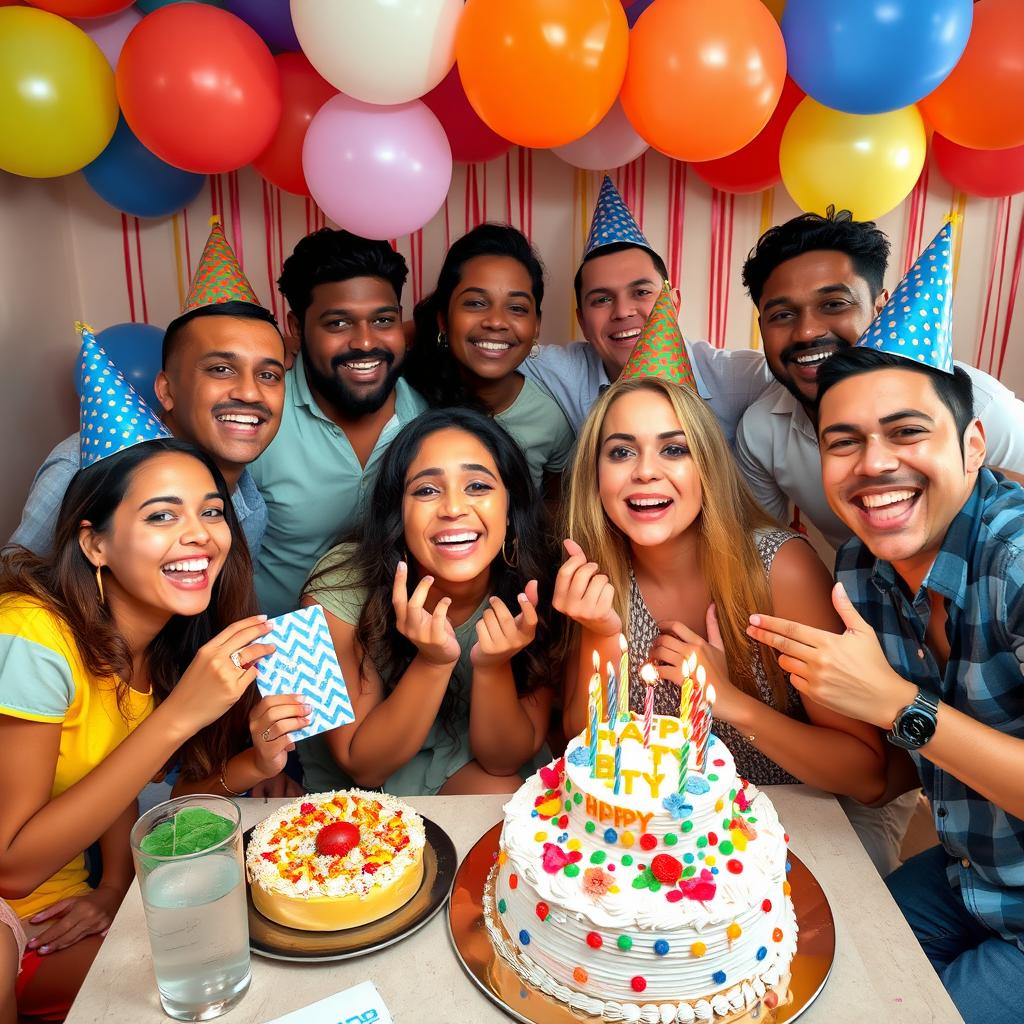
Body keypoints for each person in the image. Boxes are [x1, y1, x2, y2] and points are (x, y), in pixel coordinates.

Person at [552, 302, 887, 825]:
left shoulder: (780, 568)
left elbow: (866, 776)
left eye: (674, 449)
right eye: (621, 452)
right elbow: (582, 752)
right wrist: (599, 630)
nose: (645, 472)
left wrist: (726, 699)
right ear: (595, 475)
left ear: (707, 463)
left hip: (782, 833)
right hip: (657, 845)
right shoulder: (598, 574)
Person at [0, 436, 279, 1018]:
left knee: (228, 969)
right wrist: (179, 718)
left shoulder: (165, 649)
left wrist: (110, 890)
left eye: (211, 511)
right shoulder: (31, 634)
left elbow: (132, 793)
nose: (201, 533)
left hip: (53, 919)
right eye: (161, 515)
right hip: (12, 909)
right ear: (94, 543)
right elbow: (13, 867)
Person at [298, 408, 556, 796]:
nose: (453, 508)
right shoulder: (336, 584)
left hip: (482, 763)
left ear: (510, 506)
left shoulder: (536, 585)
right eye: (427, 490)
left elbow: (504, 760)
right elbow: (361, 766)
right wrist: (433, 661)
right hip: (360, 789)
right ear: (399, 513)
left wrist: (493, 665)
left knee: (505, 794)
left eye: (478, 487)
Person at [736, 208, 1024, 546]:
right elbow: (766, 549)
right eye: (783, 315)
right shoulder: (760, 430)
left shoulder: (985, 406)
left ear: (880, 308)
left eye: (833, 304)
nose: (807, 331)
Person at [11, 220, 286, 558]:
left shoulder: (250, 508)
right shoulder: (81, 469)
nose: (250, 392)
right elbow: (15, 587)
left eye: (269, 375)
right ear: (166, 390)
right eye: (221, 369)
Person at [252, 229, 427, 617]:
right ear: (296, 328)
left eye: (383, 320)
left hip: (402, 651)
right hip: (280, 656)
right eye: (338, 323)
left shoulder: (430, 420)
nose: (365, 342)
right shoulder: (257, 422)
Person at [520, 175, 774, 441]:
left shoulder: (740, 379)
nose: (623, 311)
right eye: (602, 299)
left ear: (673, 304)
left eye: (641, 292)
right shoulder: (563, 373)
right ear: (582, 321)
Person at [405, 223, 574, 495]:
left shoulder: (550, 419)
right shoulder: (404, 401)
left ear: (536, 326)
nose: (496, 322)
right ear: (443, 319)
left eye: (517, 308)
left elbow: (554, 511)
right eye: (475, 303)